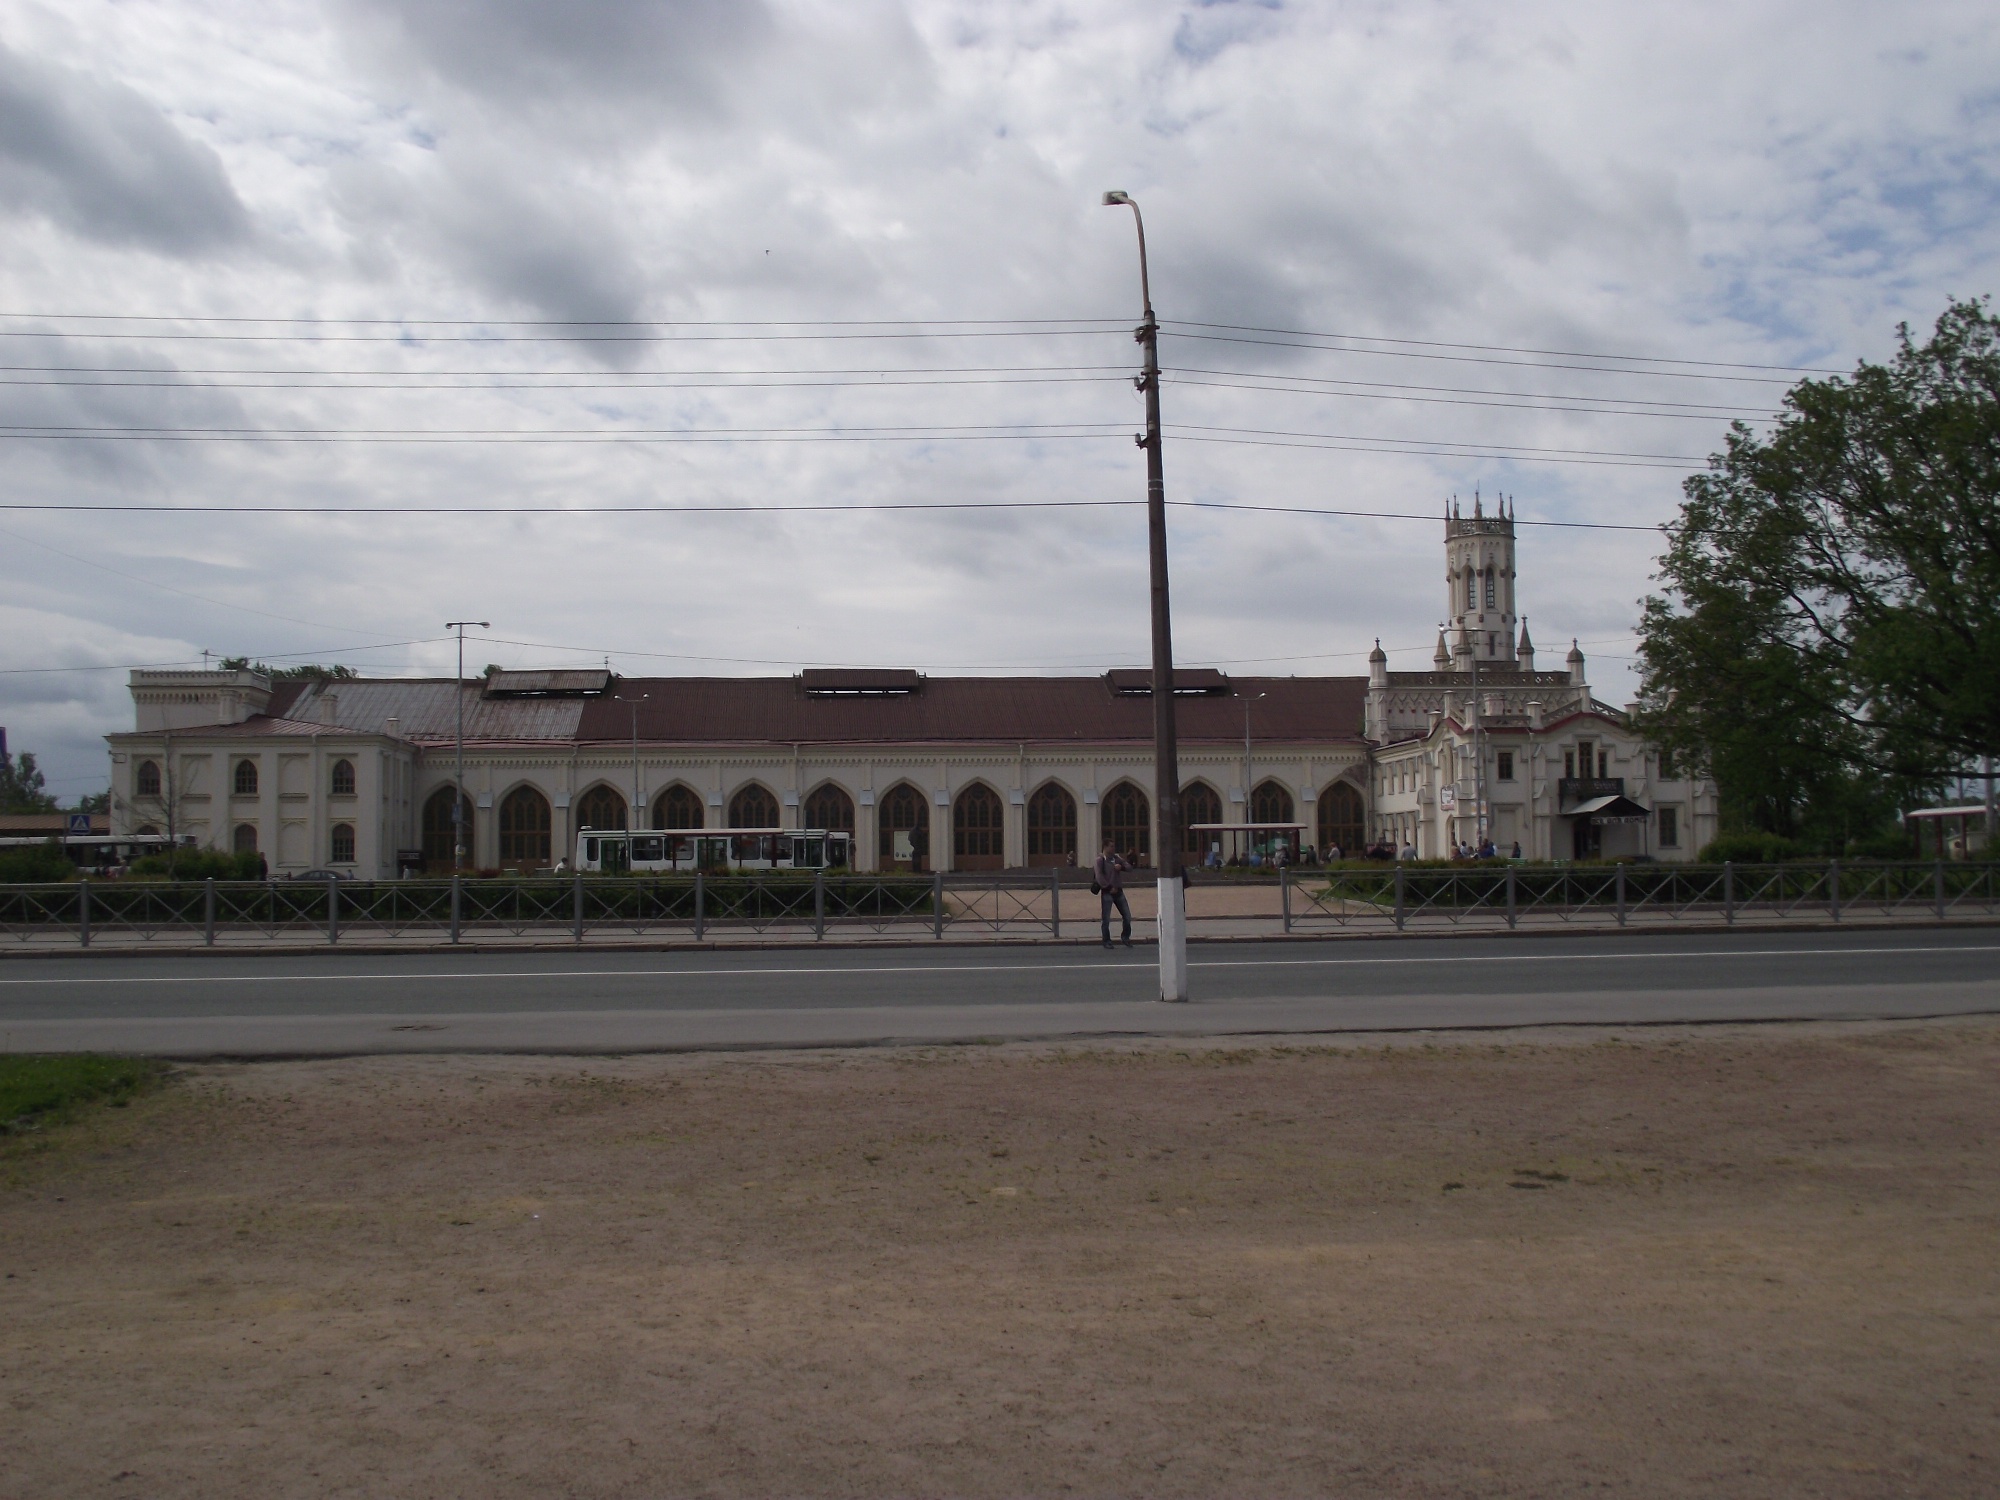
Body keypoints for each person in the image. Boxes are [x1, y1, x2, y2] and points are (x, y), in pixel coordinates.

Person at [1094, 838, 1133, 949]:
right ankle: (1106, 941)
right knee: (1106, 918)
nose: (1113, 848)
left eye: (1113, 846)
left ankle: (1125, 937)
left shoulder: (1116, 858)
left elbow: (1129, 867)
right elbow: (1099, 876)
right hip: (1107, 892)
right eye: (1111, 846)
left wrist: (1122, 867)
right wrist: (1108, 887)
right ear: (1105, 847)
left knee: (1127, 916)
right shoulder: (1100, 860)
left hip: (1118, 891)